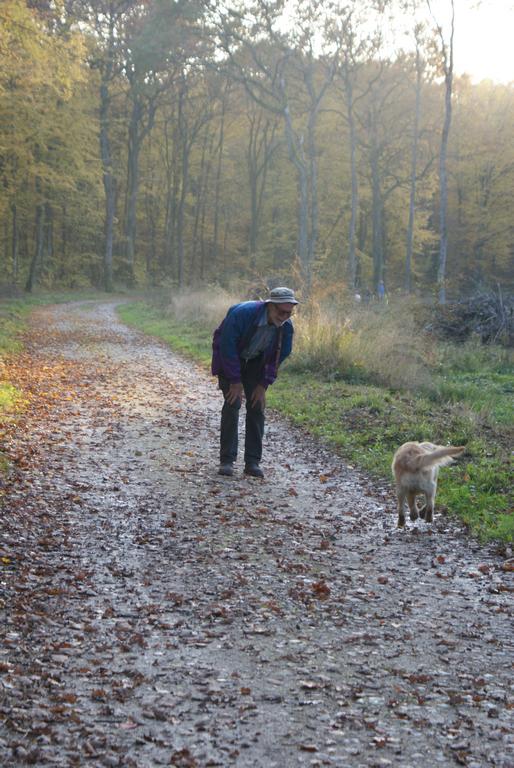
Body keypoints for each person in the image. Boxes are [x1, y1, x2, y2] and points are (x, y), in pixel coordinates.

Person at [211, 286, 298, 478]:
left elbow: (278, 357)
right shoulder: (243, 315)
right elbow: (227, 346)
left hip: (256, 363)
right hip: (231, 358)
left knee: (257, 407)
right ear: (270, 306)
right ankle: (227, 461)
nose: (284, 317)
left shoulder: (286, 328)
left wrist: (263, 385)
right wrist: (235, 381)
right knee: (233, 403)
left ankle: (252, 462)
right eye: (281, 311)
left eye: (288, 313)